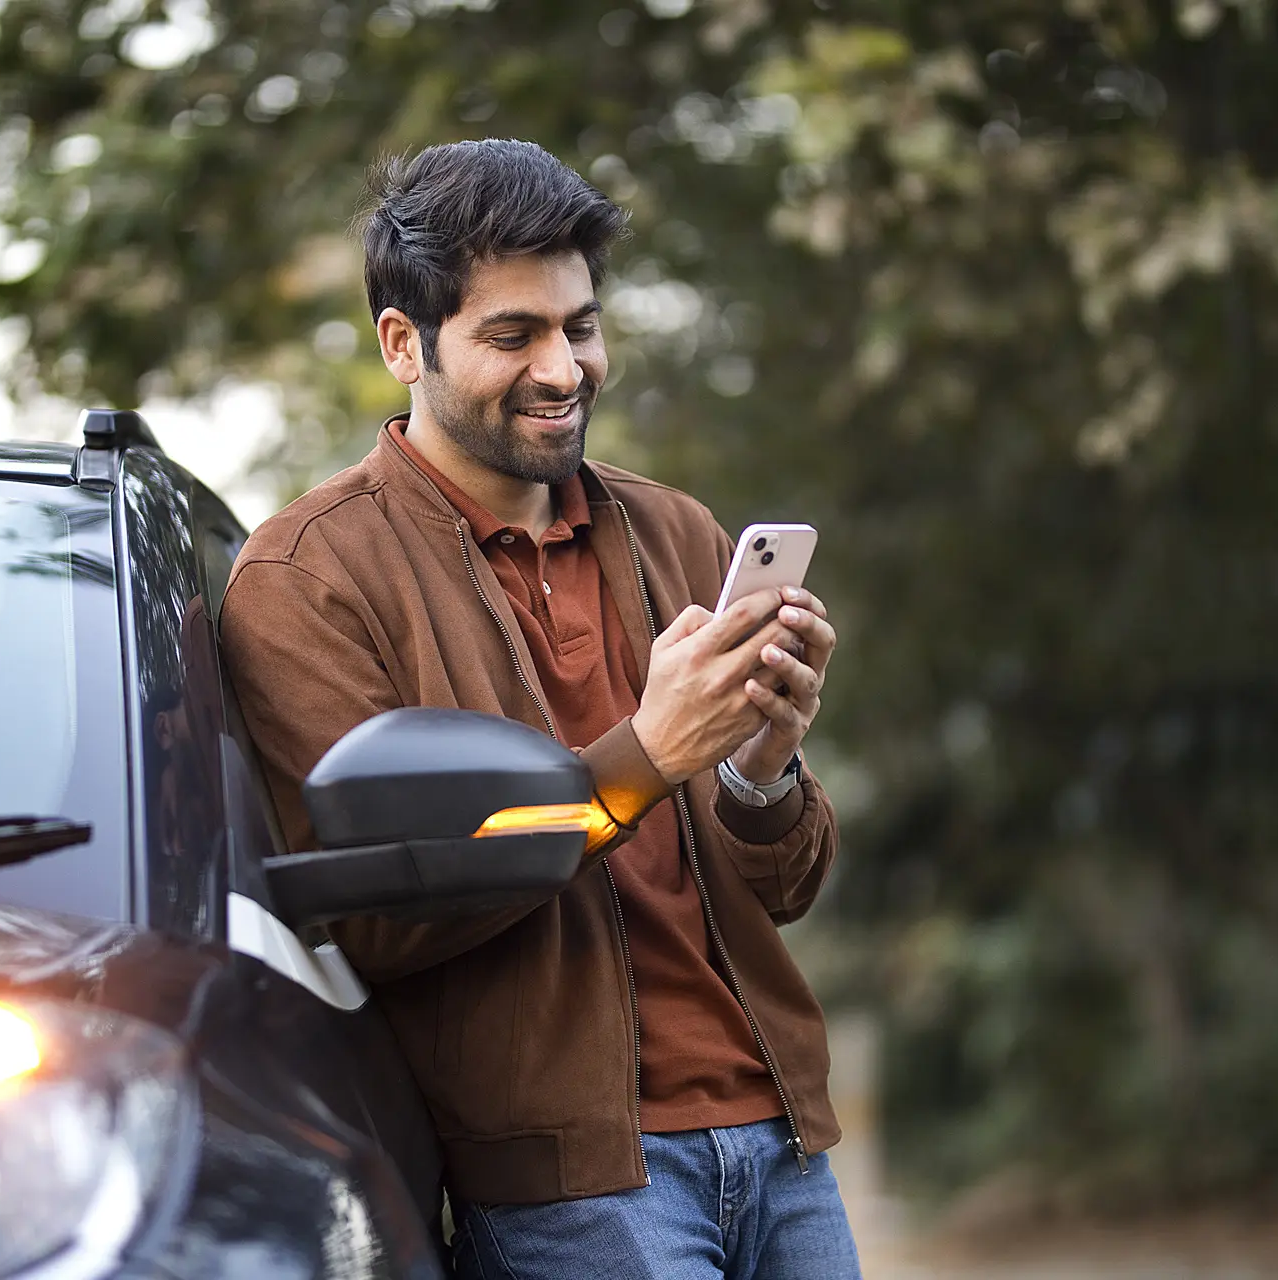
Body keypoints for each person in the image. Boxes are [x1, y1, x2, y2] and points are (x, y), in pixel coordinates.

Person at [219, 138, 859, 1279]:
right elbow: (377, 917)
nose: (564, 368)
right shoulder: (306, 579)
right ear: (402, 343)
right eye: (513, 335)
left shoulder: (678, 532)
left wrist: (762, 764)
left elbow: (786, 889)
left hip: (782, 1145)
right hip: (577, 1188)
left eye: (581, 326)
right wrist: (644, 755)